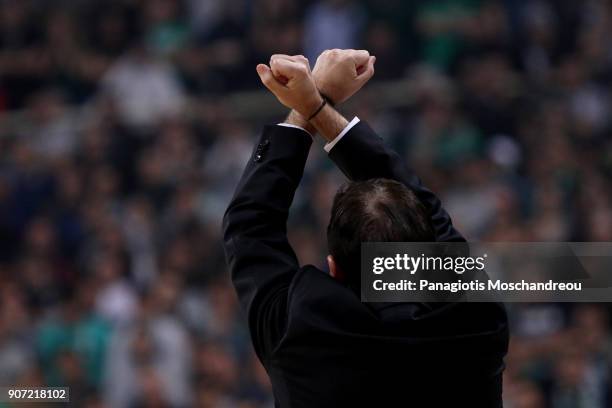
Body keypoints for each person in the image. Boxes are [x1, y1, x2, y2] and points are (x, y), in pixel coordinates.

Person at [223, 49, 509, 407]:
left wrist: (308, 107)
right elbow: (250, 224)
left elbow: (250, 226)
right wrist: (315, 107)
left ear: (334, 268)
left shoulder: (301, 324)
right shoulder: (476, 317)